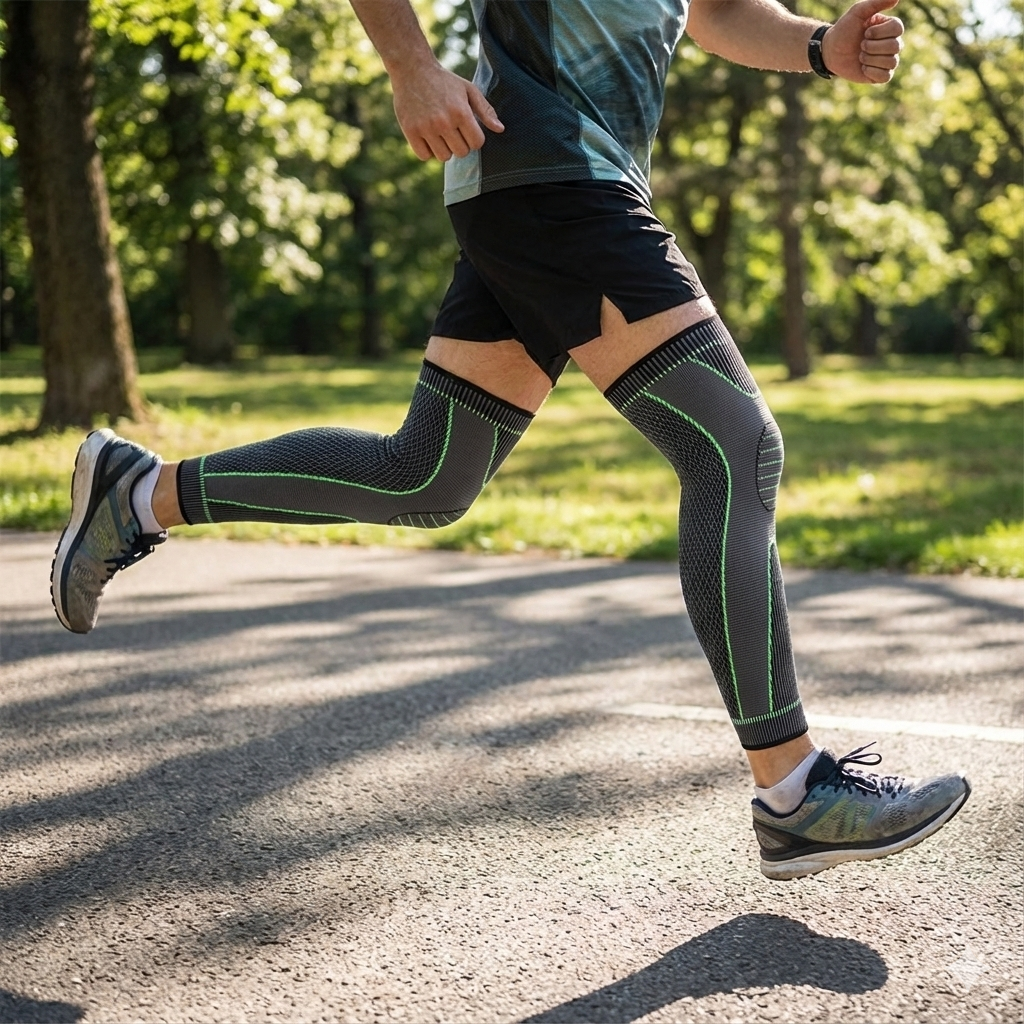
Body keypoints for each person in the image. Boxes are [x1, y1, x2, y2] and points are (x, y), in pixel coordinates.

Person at [51, 0, 969, 880]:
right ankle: (793, 789)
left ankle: (140, 492)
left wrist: (819, 47)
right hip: (557, 176)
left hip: (544, 183)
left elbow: (715, 10)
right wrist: (411, 69)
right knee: (732, 447)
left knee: (427, 474)